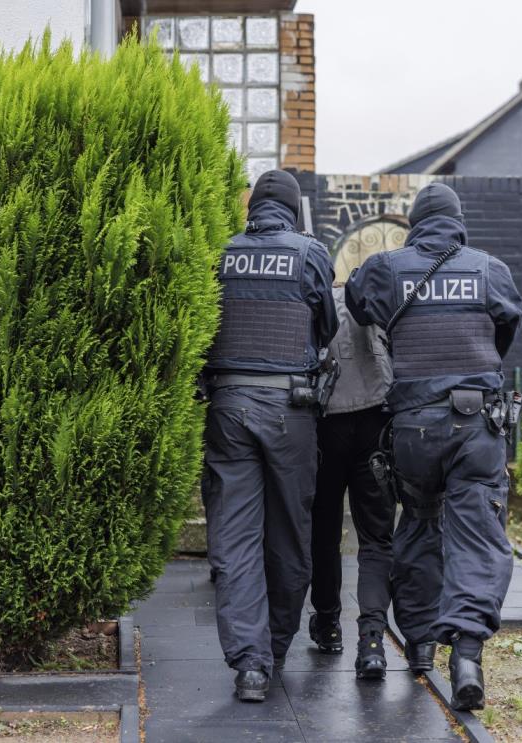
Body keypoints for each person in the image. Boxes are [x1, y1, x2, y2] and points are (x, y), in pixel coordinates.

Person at [345, 182, 522, 711]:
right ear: (458, 220)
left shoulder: (387, 266)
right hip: (476, 425)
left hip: (413, 429)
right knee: (476, 536)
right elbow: (506, 329)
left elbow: (356, 301)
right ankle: (466, 655)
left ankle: (420, 640)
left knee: (419, 525)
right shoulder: (489, 269)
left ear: (416, 222)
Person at [202, 169, 337, 703]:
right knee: (288, 533)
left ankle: (249, 665)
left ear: (252, 208)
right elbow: (326, 326)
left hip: (228, 406)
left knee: (233, 538)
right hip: (290, 408)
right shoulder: (309, 254)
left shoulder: (222, 253)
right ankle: (274, 648)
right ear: (294, 209)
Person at [308, 285, 396, 680]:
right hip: (376, 420)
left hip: (327, 422)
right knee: (376, 537)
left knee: (324, 531)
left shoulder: (318, 300)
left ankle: (328, 625)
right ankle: (373, 641)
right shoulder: (378, 301)